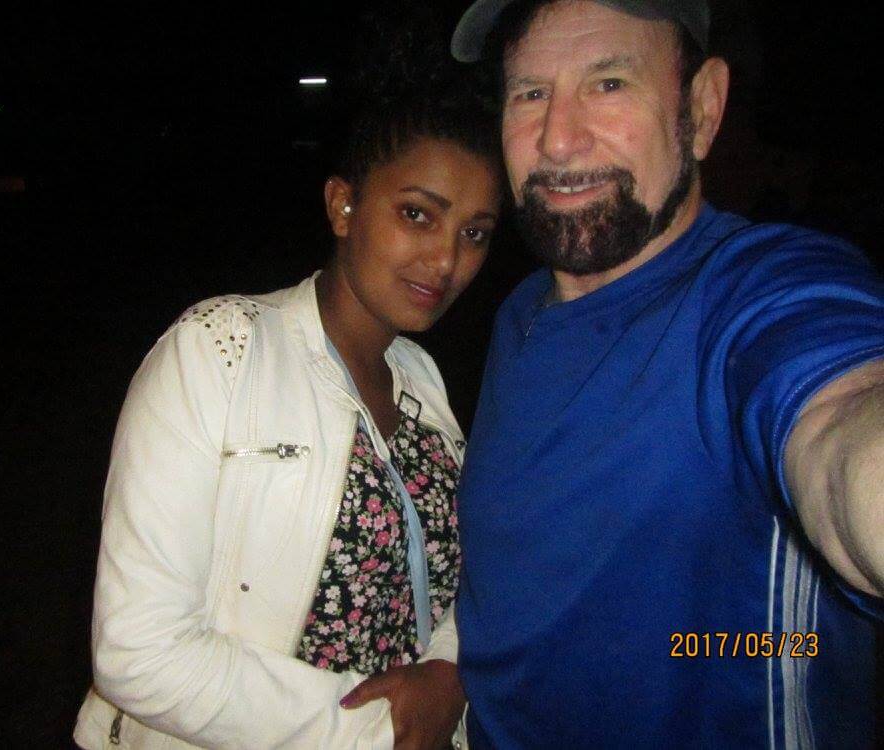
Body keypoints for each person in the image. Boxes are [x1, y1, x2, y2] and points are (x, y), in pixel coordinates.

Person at [447, 0, 884, 747]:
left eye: (609, 83)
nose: (557, 137)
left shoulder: (755, 291)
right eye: (531, 92)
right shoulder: (518, 314)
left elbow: (844, 425)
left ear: (703, 109)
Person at [71, 60, 504, 748]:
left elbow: (462, 569)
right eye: (417, 214)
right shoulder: (219, 352)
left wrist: (449, 670)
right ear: (343, 206)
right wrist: (382, 730)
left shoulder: (420, 377)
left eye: (475, 232)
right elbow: (138, 651)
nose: (447, 259)